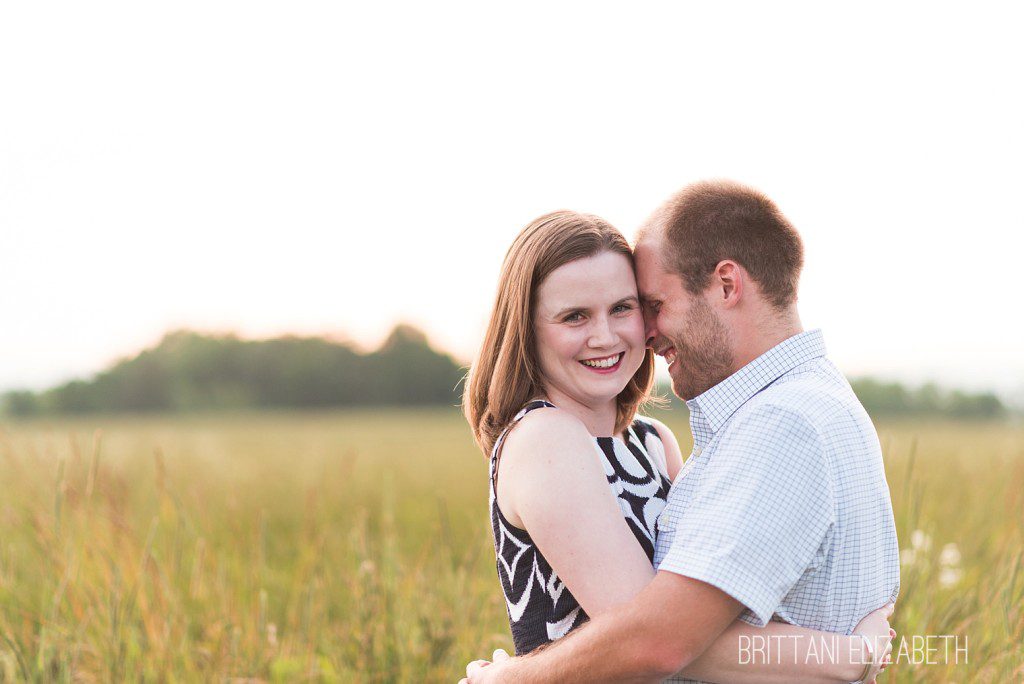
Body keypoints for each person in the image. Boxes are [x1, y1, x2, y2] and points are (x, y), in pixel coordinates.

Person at [462, 207, 895, 683]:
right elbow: (653, 644)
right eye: (574, 316)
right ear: (527, 329)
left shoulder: (652, 441)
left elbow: (695, 625)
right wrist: (852, 652)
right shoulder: (546, 438)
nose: (605, 336)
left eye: (624, 308)